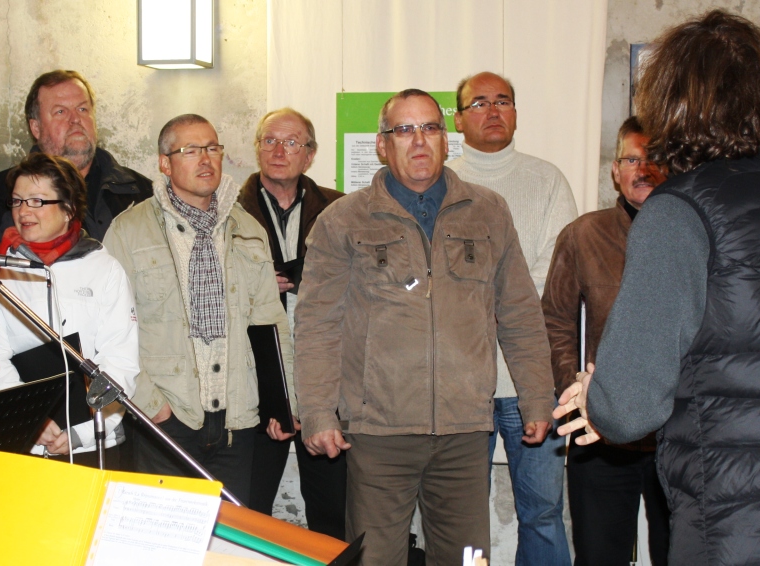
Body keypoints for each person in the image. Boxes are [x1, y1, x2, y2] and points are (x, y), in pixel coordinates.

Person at [554, 10, 760, 566]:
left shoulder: (679, 212)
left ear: (673, 103)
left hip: (748, 527)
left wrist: (599, 397)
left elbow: (628, 408)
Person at [294, 89, 556, 565]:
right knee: (375, 559)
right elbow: (317, 325)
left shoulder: (488, 211)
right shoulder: (344, 220)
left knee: (468, 559)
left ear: (446, 140)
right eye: (404, 130)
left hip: (465, 430)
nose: (419, 140)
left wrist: (537, 398)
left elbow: (520, 312)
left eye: (430, 127)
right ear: (382, 144)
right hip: (378, 432)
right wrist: (316, 411)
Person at [104, 114, 291, 506]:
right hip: (165, 422)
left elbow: (271, 324)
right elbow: (109, 331)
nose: (205, 159)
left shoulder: (247, 230)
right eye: (190, 150)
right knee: (165, 536)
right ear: (165, 163)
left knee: (227, 537)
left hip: (237, 423)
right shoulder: (129, 231)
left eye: (212, 148)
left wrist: (283, 404)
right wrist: (153, 408)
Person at [447, 71, 576, 566]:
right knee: (460, 516)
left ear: (516, 113)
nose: (493, 110)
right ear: (459, 119)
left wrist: (496, 305)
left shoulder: (547, 180)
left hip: (534, 380)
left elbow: (556, 267)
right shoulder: (442, 183)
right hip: (461, 383)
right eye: (479, 103)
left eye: (503, 101)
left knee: (543, 512)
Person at [542, 116, 670, 566]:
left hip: (674, 433)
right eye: (631, 160)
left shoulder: (692, 234)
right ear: (615, 170)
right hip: (599, 431)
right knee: (599, 557)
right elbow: (555, 318)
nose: (643, 169)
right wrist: (575, 389)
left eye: (654, 159)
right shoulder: (584, 234)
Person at [0, 152, 139, 468]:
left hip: (95, 443)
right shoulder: (0, 272)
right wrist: (32, 418)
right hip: (26, 443)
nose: (23, 211)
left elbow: (120, 358)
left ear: (68, 209)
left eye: (37, 201)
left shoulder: (104, 269)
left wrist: (84, 432)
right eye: (17, 201)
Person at [238, 108, 346, 539]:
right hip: (255, 379)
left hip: (326, 379)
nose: (278, 151)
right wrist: (254, 281)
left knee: (333, 514)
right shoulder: (229, 213)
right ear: (257, 149)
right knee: (248, 511)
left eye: (291, 142)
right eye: (269, 140)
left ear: (310, 154)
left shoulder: (340, 209)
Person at [0, 70, 151, 263]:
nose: (75, 119)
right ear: (36, 128)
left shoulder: (141, 193)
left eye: (83, 109)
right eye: (60, 112)